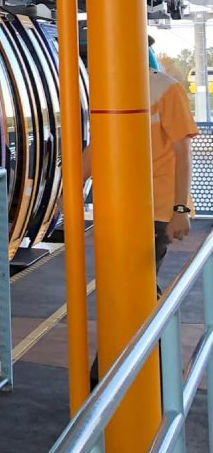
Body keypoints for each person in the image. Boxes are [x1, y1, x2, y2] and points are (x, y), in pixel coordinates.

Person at [85, 42, 199, 387]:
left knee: (135, 289)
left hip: (157, 211)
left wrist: (180, 209)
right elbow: (98, 146)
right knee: (136, 290)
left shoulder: (167, 89)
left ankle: (106, 377)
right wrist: (69, 190)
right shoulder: (110, 90)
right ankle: (148, 372)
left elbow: (183, 152)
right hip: (121, 209)